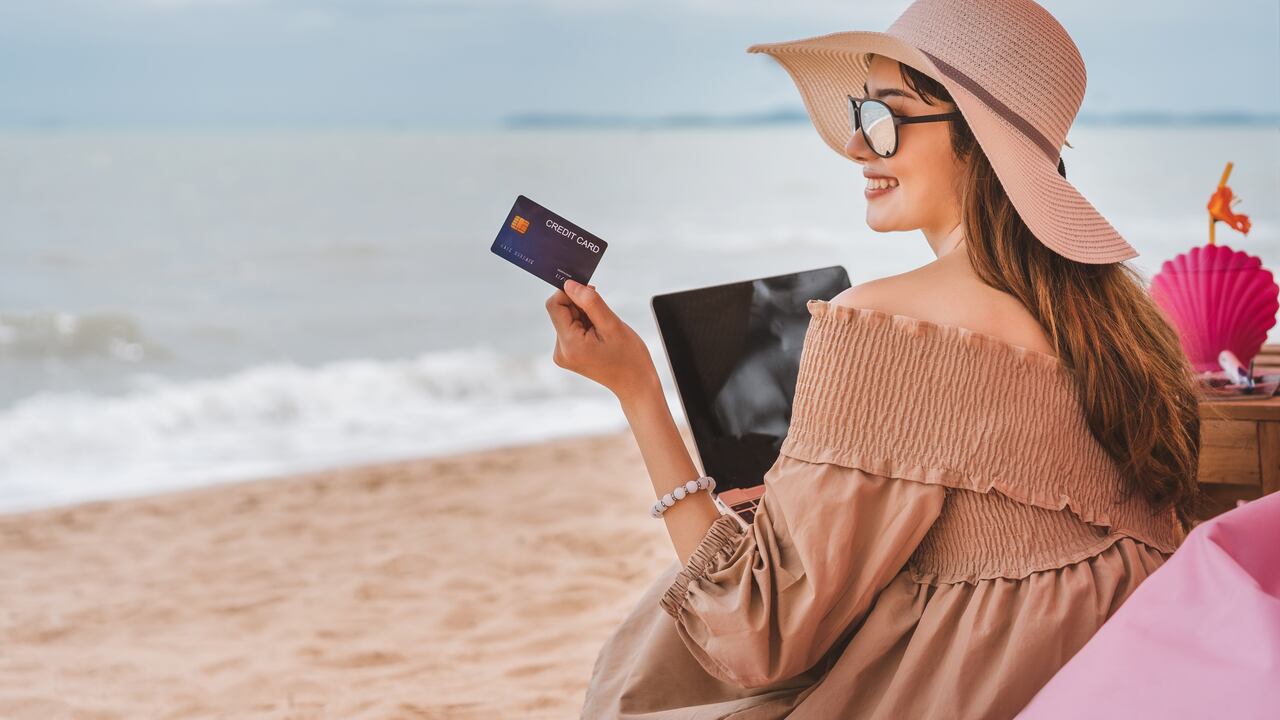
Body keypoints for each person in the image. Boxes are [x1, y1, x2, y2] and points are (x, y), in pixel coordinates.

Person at [544, 1, 1207, 717]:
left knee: (650, 665)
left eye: (885, 119)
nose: (859, 148)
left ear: (977, 141)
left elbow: (758, 634)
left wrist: (637, 388)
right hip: (1112, 671)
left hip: (973, 687)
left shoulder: (884, 321)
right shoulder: (1122, 324)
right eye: (862, 115)